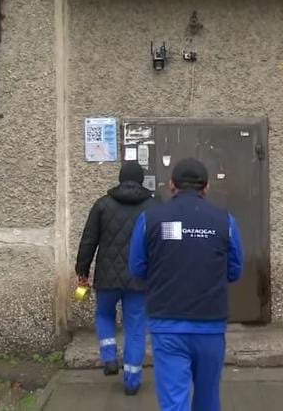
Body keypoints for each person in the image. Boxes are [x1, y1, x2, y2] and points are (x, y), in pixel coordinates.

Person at [128, 158, 243, 411]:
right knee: (207, 398)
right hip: (210, 325)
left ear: (171, 185)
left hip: (167, 324)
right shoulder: (225, 221)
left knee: (173, 402)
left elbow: (136, 268)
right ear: (206, 187)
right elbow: (235, 271)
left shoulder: (150, 219)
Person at [75, 161, 154, 395]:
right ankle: (132, 381)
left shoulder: (102, 205)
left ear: (120, 178)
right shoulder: (153, 207)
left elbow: (89, 240)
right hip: (139, 278)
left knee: (104, 314)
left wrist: (82, 270)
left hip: (107, 277)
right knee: (136, 327)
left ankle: (109, 356)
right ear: (141, 180)